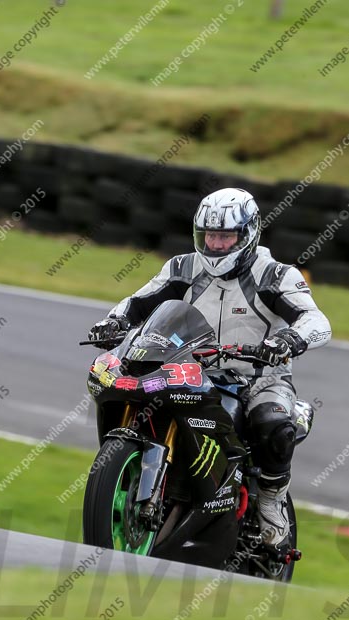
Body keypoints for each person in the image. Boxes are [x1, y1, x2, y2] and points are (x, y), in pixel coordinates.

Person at [88, 188, 331, 548]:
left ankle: (270, 501)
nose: (216, 245)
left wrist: (289, 341)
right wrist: (114, 321)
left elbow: (315, 319)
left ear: (248, 234)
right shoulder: (183, 267)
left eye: (225, 237)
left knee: (273, 423)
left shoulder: (276, 275)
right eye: (209, 236)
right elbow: (138, 302)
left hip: (258, 378)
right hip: (189, 369)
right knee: (134, 390)